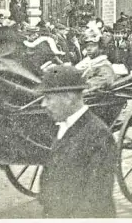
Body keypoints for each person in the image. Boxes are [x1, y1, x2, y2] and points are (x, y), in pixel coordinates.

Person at [38, 65, 117, 218]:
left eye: (48, 98)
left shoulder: (98, 135)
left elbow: (95, 201)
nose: (43, 105)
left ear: (68, 97)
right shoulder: (64, 127)